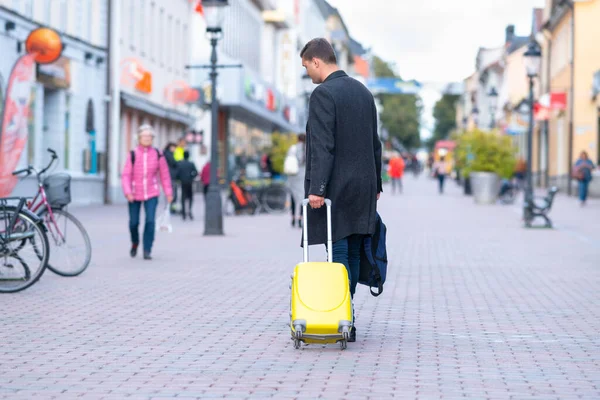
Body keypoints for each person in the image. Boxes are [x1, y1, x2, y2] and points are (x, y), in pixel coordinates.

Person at [300, 38, 382, 343]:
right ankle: (346, 310)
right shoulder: (363, 92)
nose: (307, 72)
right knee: (356, 246)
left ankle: (341, 312)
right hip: (365, 184)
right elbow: (375, 142)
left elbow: (323, 145)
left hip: (336, 185)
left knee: (339, 249)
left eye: (306, 65)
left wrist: (317, 188)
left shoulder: (323, 94)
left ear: (317, 61)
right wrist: (378, 183)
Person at [121, 125, 173, 260]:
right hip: (134, 193)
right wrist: (128, 192)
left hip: (152, 192)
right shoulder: (132, 154)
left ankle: (147, 249)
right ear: (139, 138)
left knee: (150, 221)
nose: (147, 138)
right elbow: (126, 175)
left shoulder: (158, 154)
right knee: (134, 223)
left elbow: (164, 175)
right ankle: (135, 243)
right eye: (144, 136)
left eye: (149, 136)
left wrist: (168, 192)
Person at [286, 133, 307, 228]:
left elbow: (288, 161)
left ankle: (293, 218)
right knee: (302, 197)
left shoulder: (293, 148)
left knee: (293, 197)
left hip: (293, 175)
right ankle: (300, 218)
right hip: (304, 175)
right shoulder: (309, 149)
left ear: (298, 139)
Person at [176, 151, 198, 220]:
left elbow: (177, 173)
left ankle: (184, 213)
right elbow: (196, 172)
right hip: (189, 182)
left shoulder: (180, 164)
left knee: (183, 197)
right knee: (190, 197)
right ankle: (189, 211)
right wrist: (191, 177)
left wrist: (180, 178)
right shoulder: (191, 164)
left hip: (183, 182)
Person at [163, 142, 179, 213]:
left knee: (172, 193)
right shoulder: (168, 154)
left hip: (170, 176)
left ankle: (170, 207)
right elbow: (174, 163)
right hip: (170, 176)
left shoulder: (167, 154)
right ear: (170, 147)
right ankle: (170, 208)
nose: (175, 149)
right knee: (172, 193)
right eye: (174, 147)